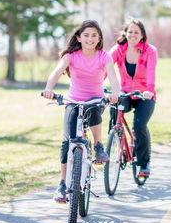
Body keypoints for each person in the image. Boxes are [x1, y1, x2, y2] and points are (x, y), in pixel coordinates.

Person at [42, 20, 120, 202]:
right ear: (79, 37)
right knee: (67, 140)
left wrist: (114, 93)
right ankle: (62, 184)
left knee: (94, 110)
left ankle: (99, 145)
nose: (90, 39)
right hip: (74, 100)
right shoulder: (71, 56)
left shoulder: (104, 56)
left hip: (96, 99)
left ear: (99, 38)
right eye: (86, 35)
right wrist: (48, 87)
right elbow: (56, 72)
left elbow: (113, 78)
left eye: (94, 35)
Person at [109, 18, 158, 178]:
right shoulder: (118, 50)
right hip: (126, 92)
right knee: (114, 104)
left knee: (139, 126)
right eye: (130, 31)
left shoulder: (150, 50)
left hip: (145, 94)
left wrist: (149, 90)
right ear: (125, 33)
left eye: (136, 32)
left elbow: (151, 71)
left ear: (142, 35)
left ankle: (143, 164)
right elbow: (105, 68)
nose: (133, 35)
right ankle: (116, 138)